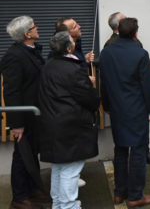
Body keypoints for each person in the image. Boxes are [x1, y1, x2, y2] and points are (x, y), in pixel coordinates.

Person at [100, 18, 150, 207]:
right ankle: (135, 196)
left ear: (118, 30)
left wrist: (106, 105)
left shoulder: (106, 52)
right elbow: (147, 87)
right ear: (135, 33)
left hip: (117, 109)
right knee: (138, 151)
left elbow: (104, 83)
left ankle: (120, 193)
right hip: (136, 110)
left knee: (120, 149)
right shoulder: (140, 54)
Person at [38, 31, 99, 209]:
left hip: (53, 123)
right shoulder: (73, 69)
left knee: (59, 168)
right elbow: (89, 99)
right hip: (71, 127)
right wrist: (91, 87)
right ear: (69, 48)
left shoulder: (48, 66)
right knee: (70, 171)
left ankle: (58, 204)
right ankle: (68, 206)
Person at [0, 16, 50, 209]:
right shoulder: (14, 56)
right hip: (24, 116)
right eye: (34, 26)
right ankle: (20, 198)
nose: (37, 28)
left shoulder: (32, 51)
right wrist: (17, 124)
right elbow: (11, 92)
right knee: (21, 156)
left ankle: (33, 189)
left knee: (31, 152)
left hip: (35, 114)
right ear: (27, 34)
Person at [104, 12, 150, 165]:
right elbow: (108, 78)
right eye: (124, 19)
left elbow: (141, 57)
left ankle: (144, 153)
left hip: (128, 101)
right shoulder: (110, 45)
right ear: (119, 25)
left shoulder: (132, 41)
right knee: (128, 144)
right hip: (127, 100)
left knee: (136, 142)